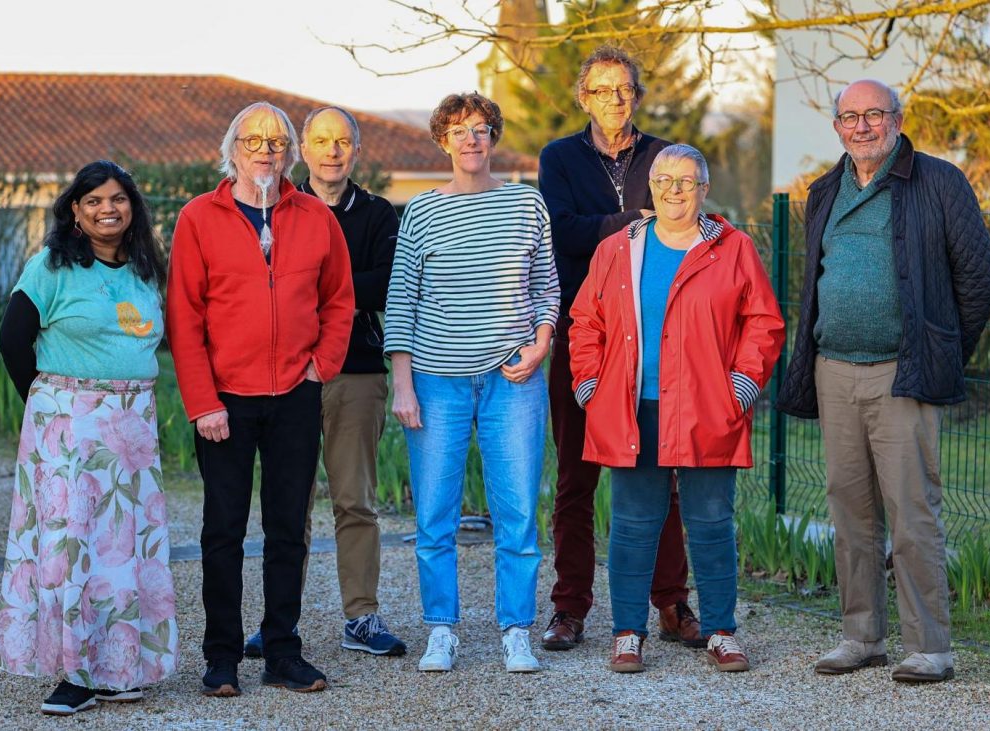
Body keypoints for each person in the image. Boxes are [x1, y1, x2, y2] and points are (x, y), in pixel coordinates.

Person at [777, 80, 990, 683]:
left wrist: (938, 349)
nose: (863, 126)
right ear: (838, 128)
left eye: (875, 114)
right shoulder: (825, 190)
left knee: (912, 514)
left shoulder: (937, 181)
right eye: (851, 116)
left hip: (903, 375)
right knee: (849, 513)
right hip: (834, 369)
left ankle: (930, 648)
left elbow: (979, 281)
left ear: (898, 119)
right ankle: (862, 637)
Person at [570, 144, 785, 673]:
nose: (673, 190)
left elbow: (763, 322)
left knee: (711, 523)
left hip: (708, 410)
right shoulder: (619, 249)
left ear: (704, 191)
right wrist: (591, 386)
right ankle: (626, 634)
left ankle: (720, 631)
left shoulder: (733, 248)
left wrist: (740, 386)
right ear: (652, 187)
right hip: (632, 408)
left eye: (686, 182)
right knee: (632, 524)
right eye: (664, 180)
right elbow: (585, 322)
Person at [167, 102, 355, 696]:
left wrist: (319, 368)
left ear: (290, 153)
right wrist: (202, 401)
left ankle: (282, 650)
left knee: (287, 531)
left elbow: (339, 301)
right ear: (233, 149)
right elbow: (184, 316)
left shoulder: (315, 218)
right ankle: (221, 655)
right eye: (254, 140)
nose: (266, 150)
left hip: (295, 396)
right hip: (225, 400)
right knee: (222, 531)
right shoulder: (200, 217)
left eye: (277, 141)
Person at [384, 92, 559, 673]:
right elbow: (401, 300)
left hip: (513, 379)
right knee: (435, 514)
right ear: (443, 140)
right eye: (459, 130)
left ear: (494, 138)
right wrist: (403, 385)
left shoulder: (526, 203)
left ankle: (516, 629)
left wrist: (541, 344)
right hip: (437, 381)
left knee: (517, 513)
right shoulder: (422, 212)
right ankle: (441, 628)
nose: (471, 139)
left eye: (481, 129)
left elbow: (546, 288)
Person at [0, 160, 178, 715]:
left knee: (124, 547)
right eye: (94, 199)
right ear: (74, 209)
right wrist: (52, 408)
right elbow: (12, 341)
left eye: (118, 199)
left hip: (132, 430)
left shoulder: (148, 270)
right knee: (69, 547)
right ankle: (74, 672)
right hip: (68, 430)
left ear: (133, 208)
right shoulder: (51, 268)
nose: (108, 208)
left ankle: (119, 668)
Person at [538, 45, 700, 650]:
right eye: (602, 90)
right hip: (584, 336)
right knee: (576, 481)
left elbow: (680, 225)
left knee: (662, 477)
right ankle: (570, 608)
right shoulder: (559, 157)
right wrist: (635, 222)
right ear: (584, 98)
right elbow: (561, 228)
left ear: (637, 94)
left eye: (624, 89)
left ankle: (671, 602)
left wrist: (615, 225)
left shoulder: (664, 155)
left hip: (655, 337)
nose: (614, 100)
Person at [242, 105, 405, 658]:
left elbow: (386, 285)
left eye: (343, 141)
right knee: (287, 503)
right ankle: (277, 623)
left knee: (354, 500)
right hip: (287, 375)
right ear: (301, 150)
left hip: (355, 372)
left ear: (355, 150)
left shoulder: (381, 214)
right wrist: (331, 291)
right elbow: (260, 286)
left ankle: (361, 617)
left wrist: (308, 287)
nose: (332, 150)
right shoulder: (276, 209)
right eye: (321, 140)